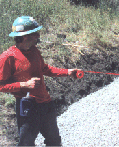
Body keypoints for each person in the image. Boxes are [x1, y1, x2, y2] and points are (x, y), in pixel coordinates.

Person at [0, 16, 81, 146]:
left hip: (46, 104)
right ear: (26, 36)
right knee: (26, 144)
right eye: (36, 33)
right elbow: (1, 85)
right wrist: (24, 84)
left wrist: (67, 72)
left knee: (54, 141)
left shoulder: (34, 51)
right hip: (27, 108)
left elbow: (45, 69)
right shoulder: (8, 57)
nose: (38, 36)